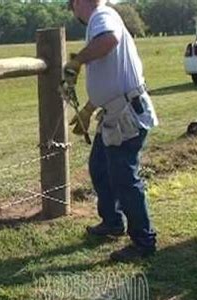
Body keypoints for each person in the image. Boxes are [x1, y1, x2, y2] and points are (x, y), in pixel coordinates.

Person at [64, 0, 158, 262]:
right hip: (117, 113)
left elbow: (109, 41)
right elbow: (112, 76)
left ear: (79, 2)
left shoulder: (101, 16)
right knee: (100, 167)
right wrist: (89, 108)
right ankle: (113, 221)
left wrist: (78, 61)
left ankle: (143, 241)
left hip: (125, 115)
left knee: (124, 178)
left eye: (73, 7)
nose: (75, 14)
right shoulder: (103, 18)